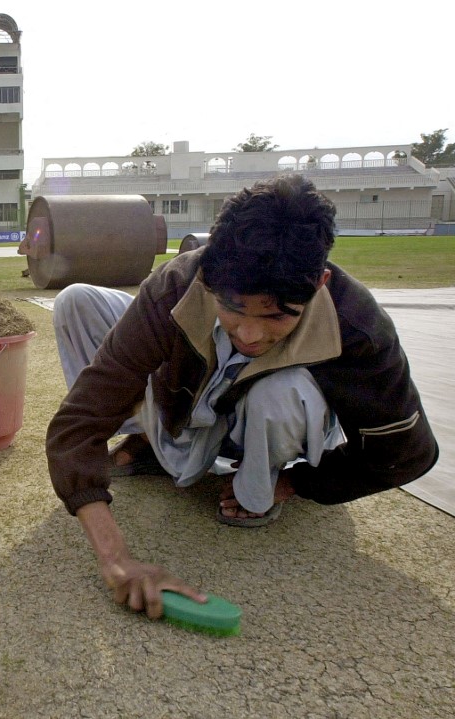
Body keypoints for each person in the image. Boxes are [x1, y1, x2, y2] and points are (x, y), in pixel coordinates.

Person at [46, 174, 438, 619]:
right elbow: (76, 425)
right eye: (232, 307)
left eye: (277, 316)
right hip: (189, 404)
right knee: (77, 301)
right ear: (208, 274)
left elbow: (408, 453)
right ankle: (152, 442)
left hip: (268, 424)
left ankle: (259, 484)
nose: (251, 334)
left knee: (280, 392)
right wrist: (114, 556)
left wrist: (297, 482)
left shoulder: (358, 327)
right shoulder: (179, 283)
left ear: (320, 283)